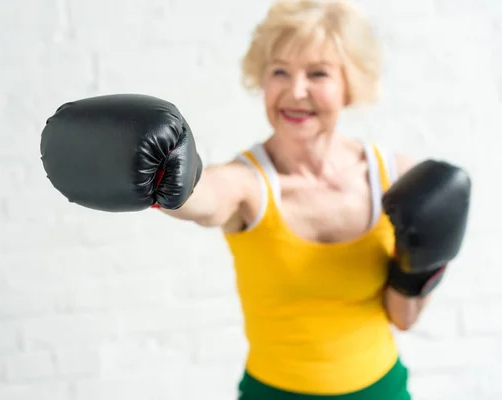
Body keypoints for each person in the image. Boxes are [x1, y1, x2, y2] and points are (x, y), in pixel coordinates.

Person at [39, 0, 471, 399]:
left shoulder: (395, 178)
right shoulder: (250, 183)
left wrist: (419, 271)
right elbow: (205, 195)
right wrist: (168, 176)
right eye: (279, 71)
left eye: (318, 73)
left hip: (381, 391)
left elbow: (403, 318)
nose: (294, 90)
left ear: (349, 84)